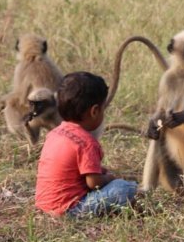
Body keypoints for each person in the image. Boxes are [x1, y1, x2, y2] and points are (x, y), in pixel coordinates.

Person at [35, 71, 138, 218]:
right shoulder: (87, 143)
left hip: (44, 204)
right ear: (95, 111)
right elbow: (94, 183)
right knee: (123, 188)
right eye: (103, 109)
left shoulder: (54, 133)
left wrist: (99, 170)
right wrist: (109, 179)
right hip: (70, 210)